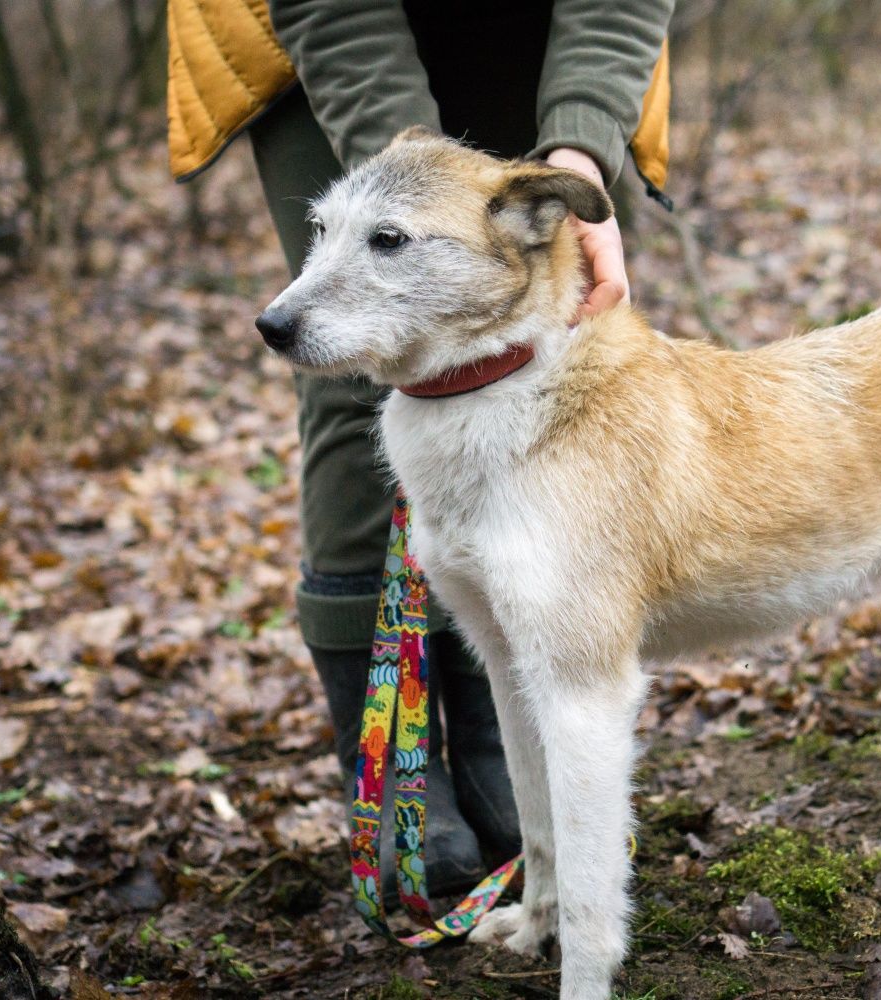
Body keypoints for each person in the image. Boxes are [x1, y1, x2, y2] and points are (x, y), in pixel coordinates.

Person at [165, 0, 675, 894]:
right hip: (319, 33)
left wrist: (581, 145)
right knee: (357, 364)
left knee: (541, 350)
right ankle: (392, 756)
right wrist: (408, 180)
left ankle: (492, 731)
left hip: (547, 36)